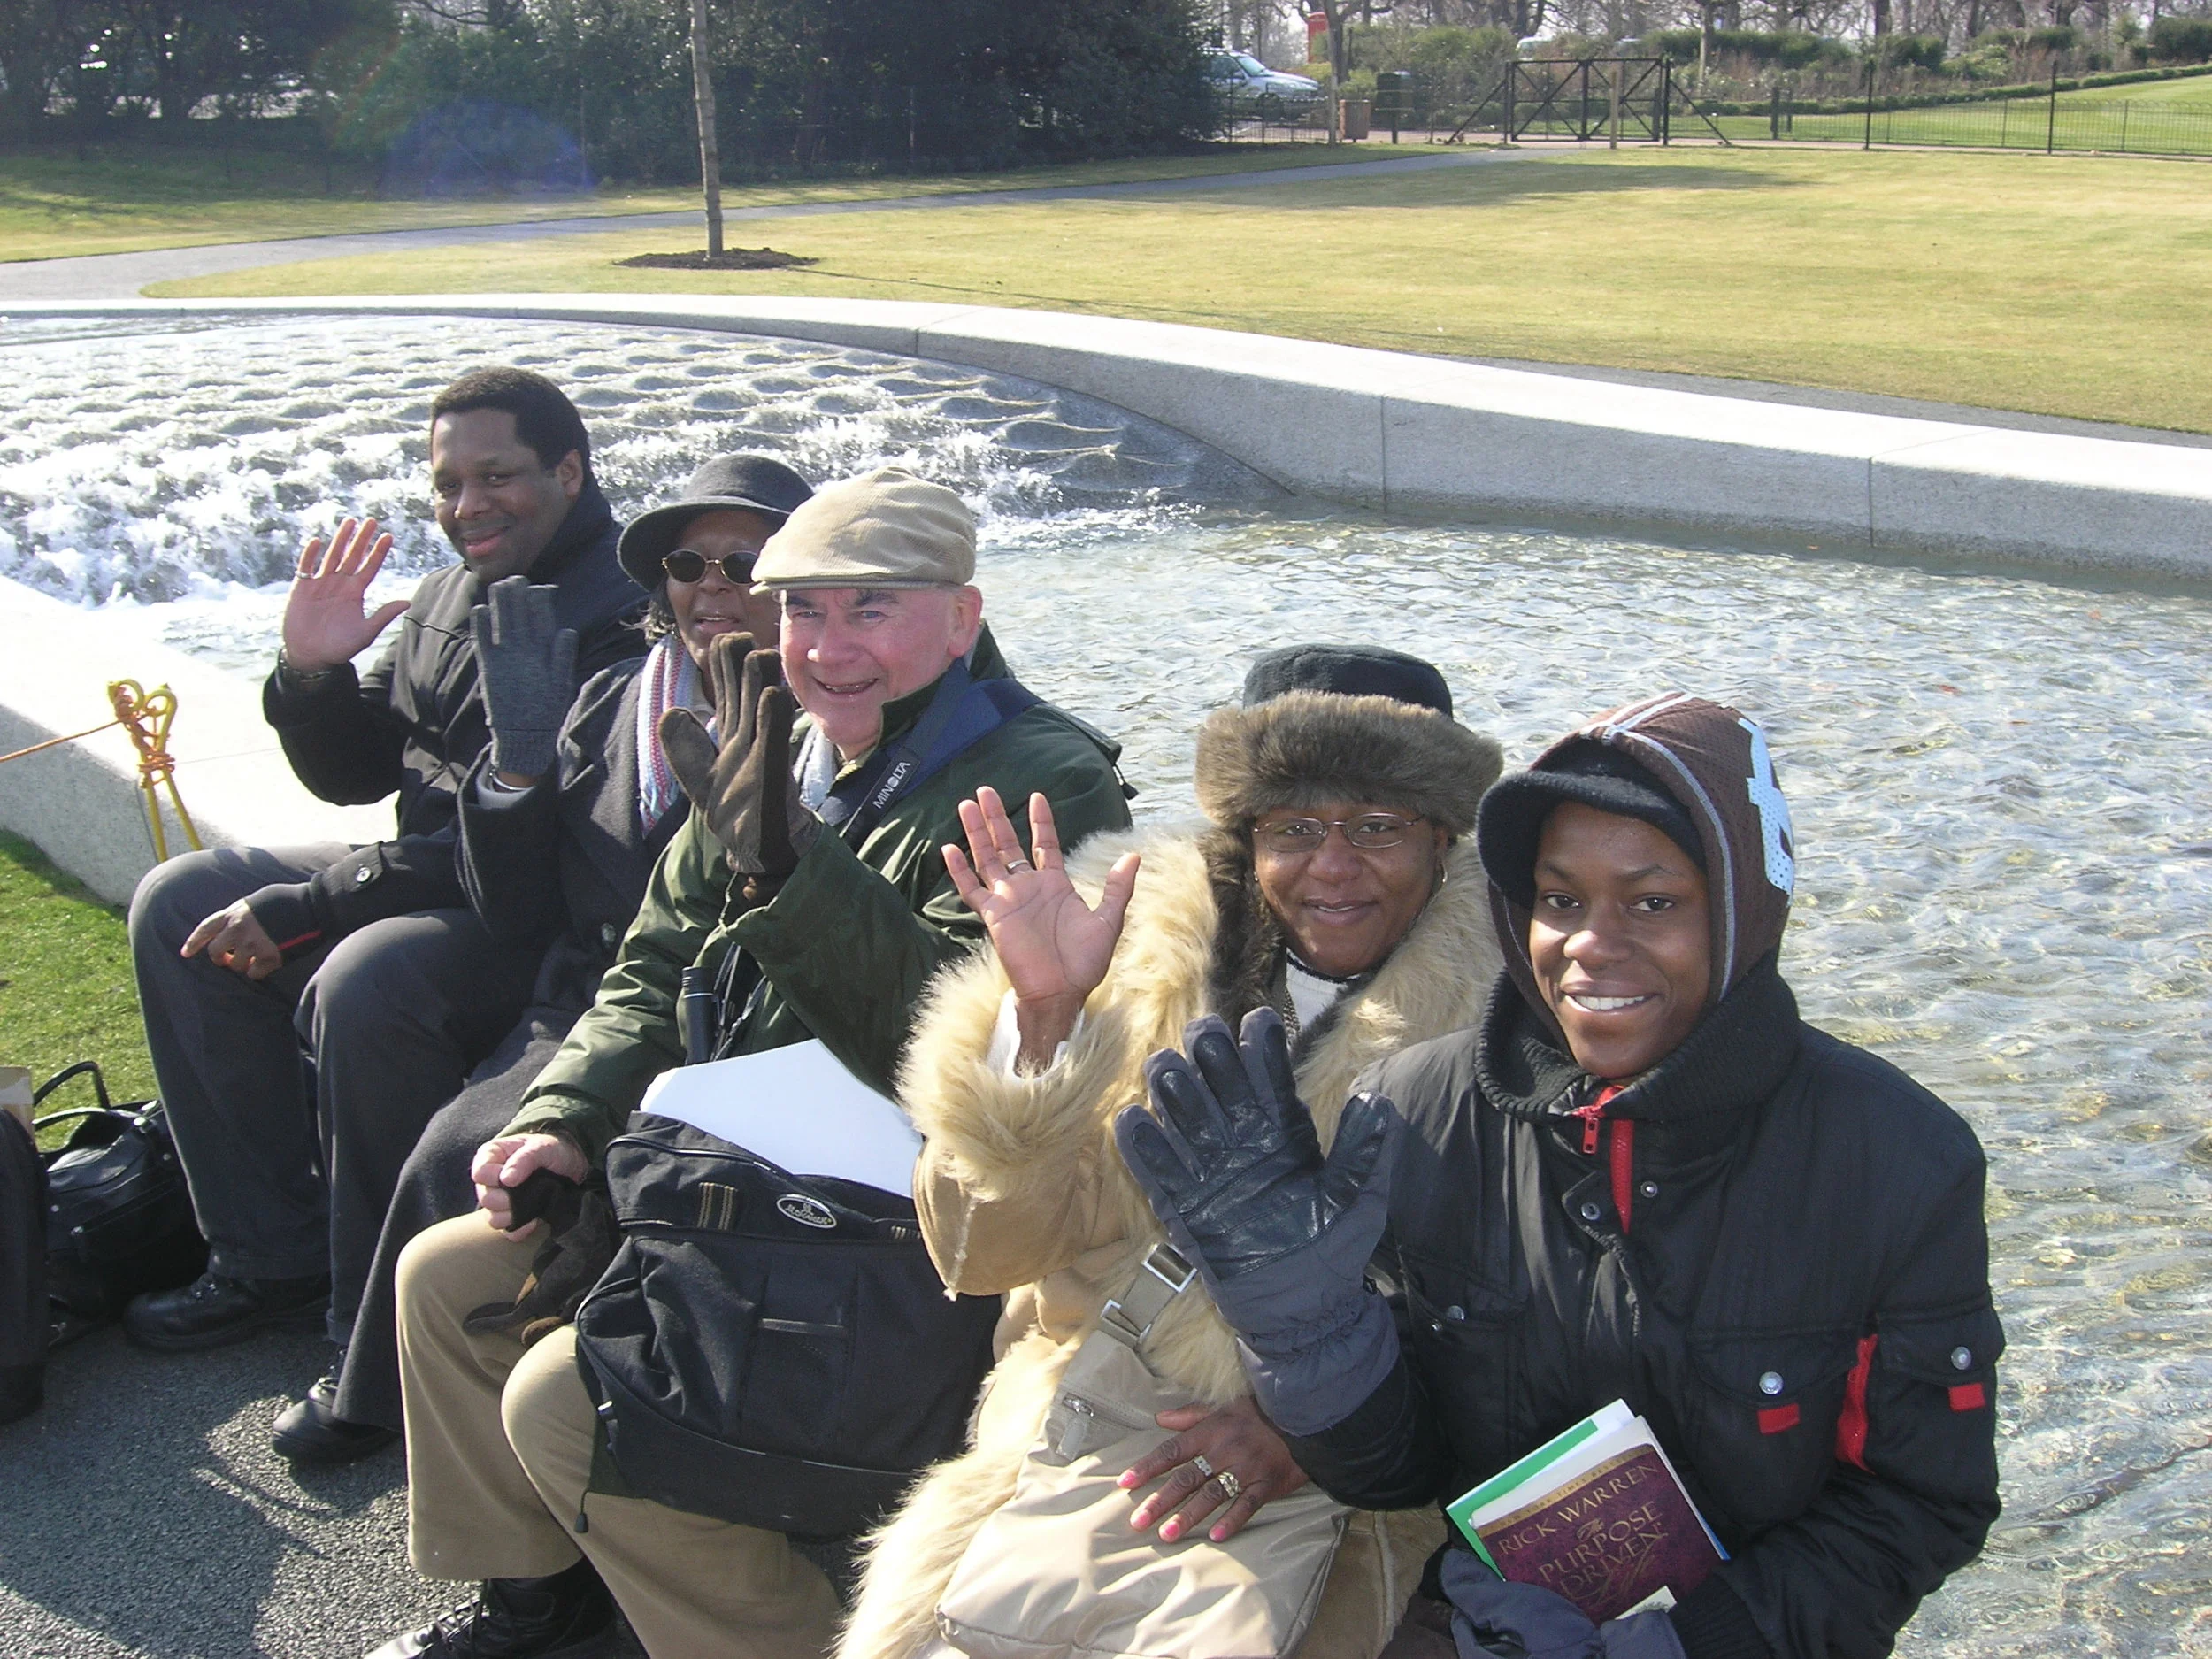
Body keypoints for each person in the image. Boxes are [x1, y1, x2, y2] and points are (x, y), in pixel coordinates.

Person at [370, 468, 1134, 1659]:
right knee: (442, 1278)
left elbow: (949, 1048)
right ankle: (538, 1598)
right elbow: (650, 966)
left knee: (567, 1400)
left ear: (961, 619)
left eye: (870, 609)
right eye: (802, 611)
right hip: (715, 1174)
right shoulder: (777, 750)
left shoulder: (1040, 776)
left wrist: (790, 868)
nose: (826, 648)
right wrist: (566, 1114)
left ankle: (773, 1633)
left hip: (888, 1226)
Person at [1119, 695, 2004, 1659]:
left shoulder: (1898, 1159)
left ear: (1746, 906)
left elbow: (1920, 1503)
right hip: (1490, 1620)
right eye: (1561, 900)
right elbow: (1396, 1470)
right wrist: (1308, 1338)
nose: (1590, 944)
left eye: (1653, 902)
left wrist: (1677, 1644)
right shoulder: (1417, 1110)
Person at [839, 645, 1507, 1659]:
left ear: (1443, 838)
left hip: (1354, 1461)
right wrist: (1045, 1019)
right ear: (1242, 836)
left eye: (1377, 827)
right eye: (1294, 829)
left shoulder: (1514, 1013)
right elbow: (982, 1258)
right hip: (1087, 1405)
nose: (1332, 867)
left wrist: (1320, 1434)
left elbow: (1523, 1312)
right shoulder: (1119, 953)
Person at [280, 454, 812, 1462]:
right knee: (458, 1149)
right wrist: (517, 771)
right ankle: (384, 1383)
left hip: (750, 1023)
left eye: (744, 565)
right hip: (595, 996)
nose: (710, 587)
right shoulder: (608, 695)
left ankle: (580, 1432)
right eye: (687, 564)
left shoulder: (833, 709)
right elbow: (516, 908)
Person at [125, 367, 646, 1365]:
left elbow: (535, 839)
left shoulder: (622, 612)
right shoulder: (451, 592)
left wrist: (316, 904)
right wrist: (311, 674)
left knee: (369, 978)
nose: (466, 505)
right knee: (178, 898)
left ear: (570, 472)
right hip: (426, 872)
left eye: (496, 476)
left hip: (536, 911)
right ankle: (268, 1252)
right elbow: (356, 774)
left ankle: (373, 1329)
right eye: (447, 483)